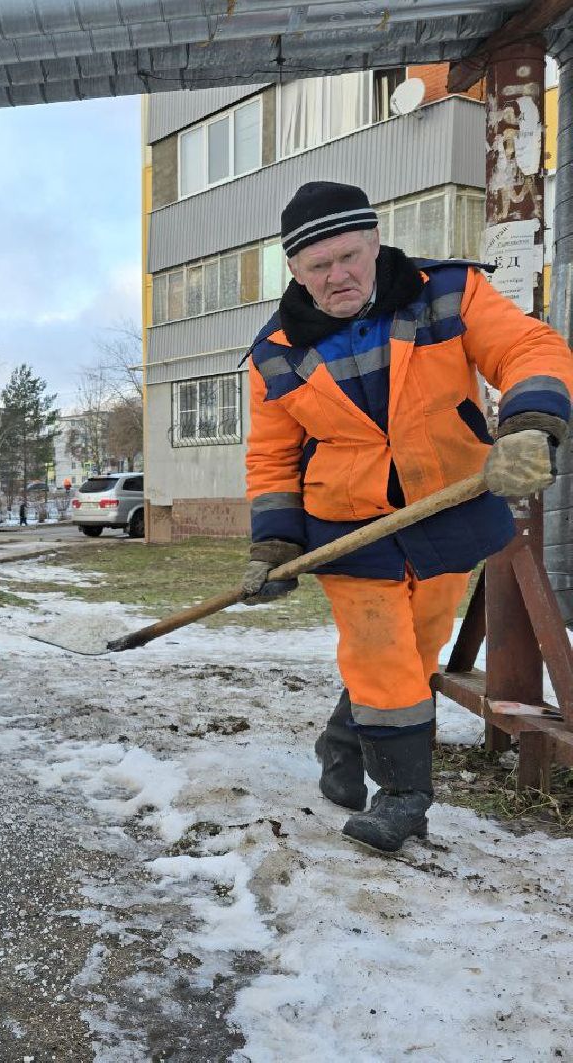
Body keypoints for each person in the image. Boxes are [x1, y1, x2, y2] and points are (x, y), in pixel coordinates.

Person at [244, 181, 573, 852]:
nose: (337, 275)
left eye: (348, 256)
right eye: (317, 266)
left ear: (374, 244)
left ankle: (342, 739)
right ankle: (404, 797)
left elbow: (530, 349)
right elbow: (272, 459)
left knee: (415, 650)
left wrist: (531, 424)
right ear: (294, 271)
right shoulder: (275, 353)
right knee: (379, 650)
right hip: (347, 522)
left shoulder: (446, 293)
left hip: (446, 505)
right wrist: (274, 543)